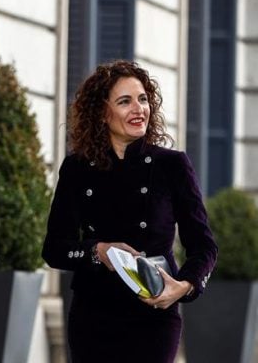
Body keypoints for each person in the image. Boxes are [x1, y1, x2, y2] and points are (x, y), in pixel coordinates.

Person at [42, 60, 218, 363]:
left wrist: (184, 287)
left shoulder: (172, 165)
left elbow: (204, 246)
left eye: (143, 99)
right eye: (125, 101)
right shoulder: (78, 168)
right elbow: (55, 249)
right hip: (92, 316)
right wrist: (99, 251)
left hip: (153, 315)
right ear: (102, 112)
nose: (139, 109)